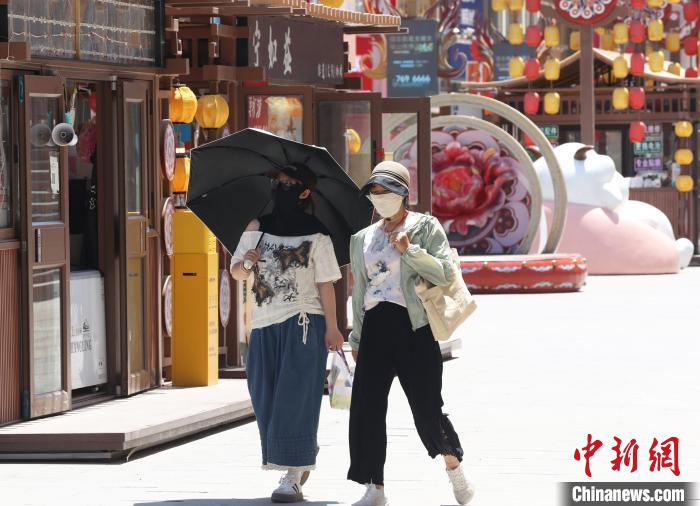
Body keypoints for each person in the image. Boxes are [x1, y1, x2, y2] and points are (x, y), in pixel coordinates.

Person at [347, 161, 475, 506]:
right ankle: (374, 486)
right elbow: (359, 292)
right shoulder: (362, 238)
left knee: (427, 407)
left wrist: (410, 250)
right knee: (367, 409)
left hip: (414, 327)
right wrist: (356, 337)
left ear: (403, 193)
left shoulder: (425, 226)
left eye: (386, 190)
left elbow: (444, 272)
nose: (380, 197)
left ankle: (453, 465)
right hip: (375, 327)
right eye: (374, 191)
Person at [230, 164, 344, 503]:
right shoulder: (257, 228)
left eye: (290, 183)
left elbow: (326, 285)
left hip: (304, 322)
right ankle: (301, 449)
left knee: (294, 396)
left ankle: (292, 475)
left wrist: (334, 327)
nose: (282, 187)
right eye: (278, 182)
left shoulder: (318, 234)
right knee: (264, 396)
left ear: (305, 191)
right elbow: (236, 272)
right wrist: (247, 262)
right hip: (263, 323)